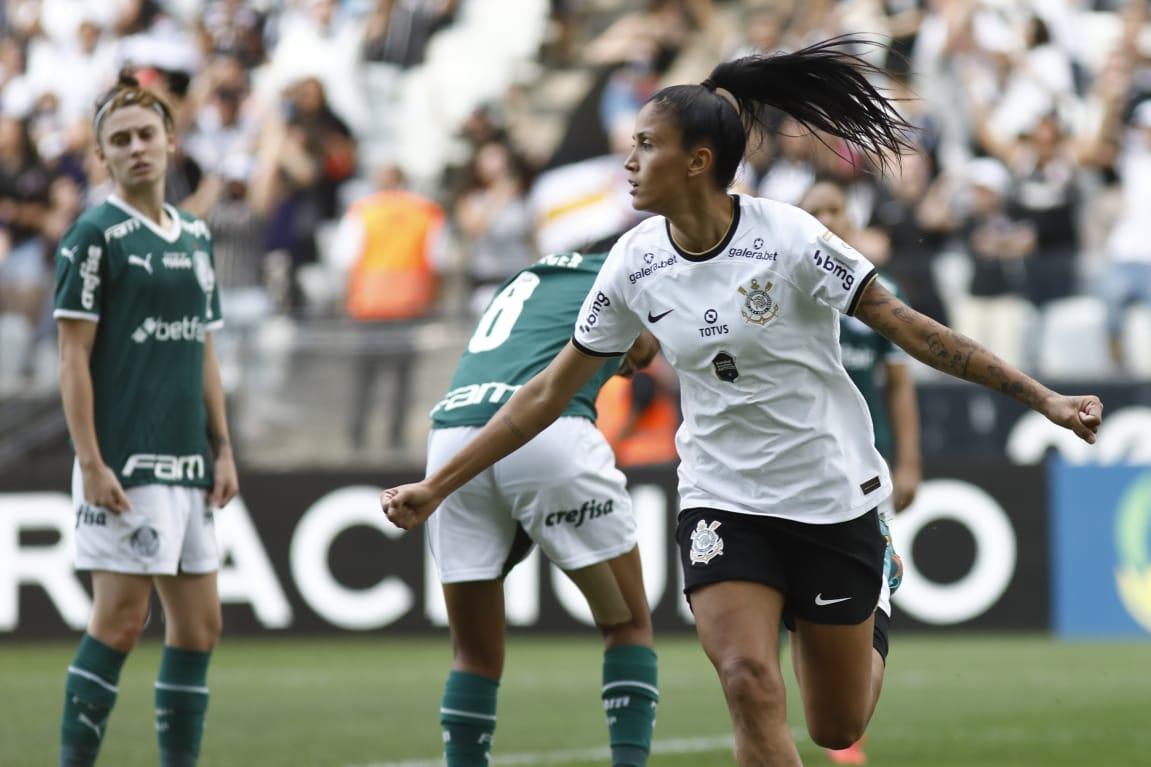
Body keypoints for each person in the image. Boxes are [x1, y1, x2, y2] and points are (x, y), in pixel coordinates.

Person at [383, 38, 1103, 767]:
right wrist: (435, 486)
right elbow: (547, 391)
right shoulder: (634, 260)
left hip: (829, 493)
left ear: (697, 161)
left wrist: (1043, 398)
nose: (627, 161)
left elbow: (911, 330)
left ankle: (875, 583)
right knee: (747, 680)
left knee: (834, 725)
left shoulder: (789, 238)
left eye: (645, 145)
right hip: (721, 496)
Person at [53, 70, 238, 767]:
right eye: (120, 140)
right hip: (126, 462)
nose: (136, 148)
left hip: (189, 458)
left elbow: (205, 349)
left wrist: (222, 447)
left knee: (200, 627)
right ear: (103, 156)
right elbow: (72, 358)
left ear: (171, 140)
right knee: (122, 621)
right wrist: (92, 462)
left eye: (146, 134)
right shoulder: (93, 234)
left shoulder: (195, 233)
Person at [422, 249, 662, 767]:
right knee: (627, 626)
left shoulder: (534, 276)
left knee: (472, 654)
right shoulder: (634, 270)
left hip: (451, 439)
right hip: (543, 435)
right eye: (652, 346)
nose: (642, 363)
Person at [799, 179, 922, 766]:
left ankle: (848, 735)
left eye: (834, 209)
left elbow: (900, 388)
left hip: (863, 475)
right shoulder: (787, 290)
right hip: (797, 475)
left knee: (860, 597)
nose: (826, 217)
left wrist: (910, 461)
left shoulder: (878, 293)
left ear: (850, 218)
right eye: (814, 211)